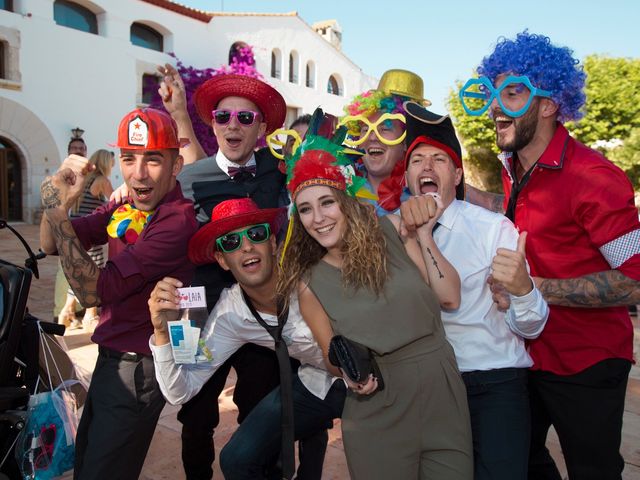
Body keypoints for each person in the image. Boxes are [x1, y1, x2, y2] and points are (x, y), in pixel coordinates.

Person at [460, 31, 640, 479]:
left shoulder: (594, 178)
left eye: (513, 92)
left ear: (548, 104)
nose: (497, 106)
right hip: (526, 353)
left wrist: (534, 289)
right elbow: (524, 223)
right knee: (520, 460)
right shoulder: (514, 166)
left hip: (588, 360)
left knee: (593, 470)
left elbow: (636, 279)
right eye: (492, 93)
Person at [277, 109, 473, 479]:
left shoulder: (396, 231)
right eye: (305, 209)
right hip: (377, 407)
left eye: (327, 202)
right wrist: (351, 374)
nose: (318, 218)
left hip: (442, 391)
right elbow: (330, 353)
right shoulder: (309, 282)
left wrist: (425, 234)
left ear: (348, 200)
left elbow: (450, 295)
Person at [155, 65, 325, 480]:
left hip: (265, 313)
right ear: (212, 124)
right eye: (223, 117)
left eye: (245, 118)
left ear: (262, 127)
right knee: (194, 413)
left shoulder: (279, 168)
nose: (233, 125)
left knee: (264, 407)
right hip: (199, 313)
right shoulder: (190, 177)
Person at [39, 107, 198, 479]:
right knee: (89, 462)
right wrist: (59, 198)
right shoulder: (125, 203)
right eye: (129, 159)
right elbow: (51, 244)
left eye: (153, 160)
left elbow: (93, 291)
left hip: (138, 369)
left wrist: (54, 208)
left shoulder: (177, 222)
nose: (138, 173)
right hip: (111, 360)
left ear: (176, 165)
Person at [400, 102, 549, 479]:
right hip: (426, 388)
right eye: (417, 160)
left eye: (439, 159)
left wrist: (524, 289)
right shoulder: (388, 231)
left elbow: (530, 328)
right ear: (406, 178)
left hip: (493, 383)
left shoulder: (493, 229)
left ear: (458, 175)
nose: (428, 167)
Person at [149, 197, 345, 479]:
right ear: (222, 261)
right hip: (316, 384)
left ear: (273, 244)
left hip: (371, 380)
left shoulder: (312, 274)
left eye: (256, 234)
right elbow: (180, 390)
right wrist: (161, 333)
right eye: (231, 242)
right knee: (236, 459)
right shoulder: (231, 314)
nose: (247, 246)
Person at [342, 69, 429, 215]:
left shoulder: (424, 192)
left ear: (406, 142)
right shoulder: (339, 185)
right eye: (365, 129)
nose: (373, 137)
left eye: (385, 128)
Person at [58, 149, 115, 331]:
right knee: (94, 273)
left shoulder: (86, 179)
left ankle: (67, 312)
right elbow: (116, 201)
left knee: (80, 272)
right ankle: (90, 316)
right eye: (112, 163)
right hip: (90, 233)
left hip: (77, 230)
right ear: (106, 163)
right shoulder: (102, 181)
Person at [53, 136, 89, 321]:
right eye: (74, 148)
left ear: (85, 150)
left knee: (86, 271)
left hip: (88, 233)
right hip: (67, 231)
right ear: (68, 152)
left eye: (80, 148)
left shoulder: (91, 175)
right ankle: (63, 310)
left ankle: (80, 309)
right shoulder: (62, 175)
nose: (77, 151)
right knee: (64, 272)